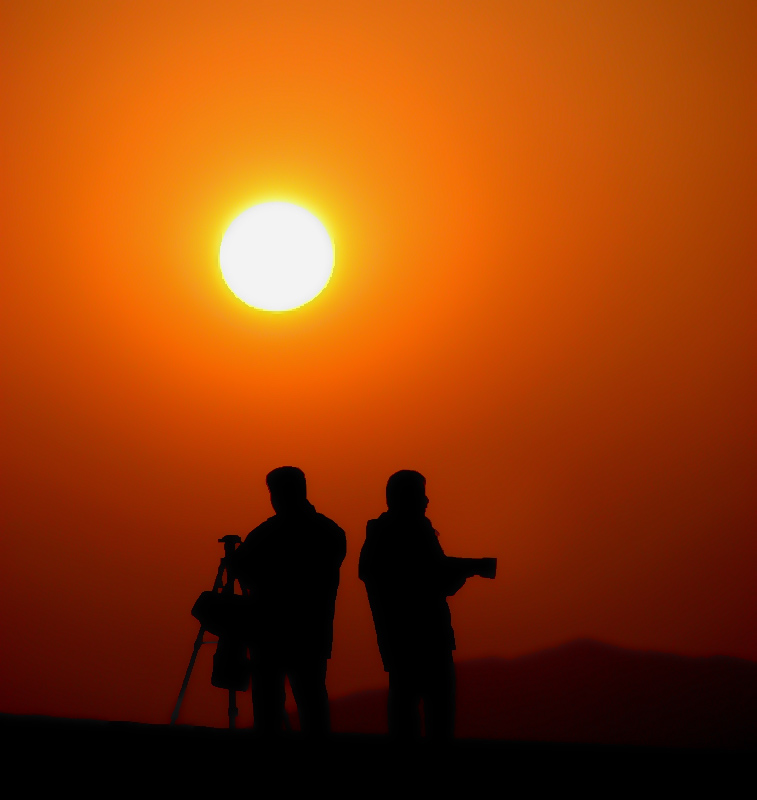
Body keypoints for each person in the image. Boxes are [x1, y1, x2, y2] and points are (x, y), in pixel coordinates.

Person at [359, 470, 495, 740]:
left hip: (400, 637)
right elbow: (433, 576)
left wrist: (466, 568)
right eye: (420, 494)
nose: (426, 501)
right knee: (435, 710)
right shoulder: (409, 530)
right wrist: (473, 567)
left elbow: (432, 573)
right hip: (422, 636)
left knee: (406, 705)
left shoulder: (385, 533)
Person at [229, 466, 346, 735]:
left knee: (270, 703)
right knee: (312, 699)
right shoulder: (329, 531)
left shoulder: (268, 533)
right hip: (311, 631)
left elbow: (242, 568)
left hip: (271, 631)